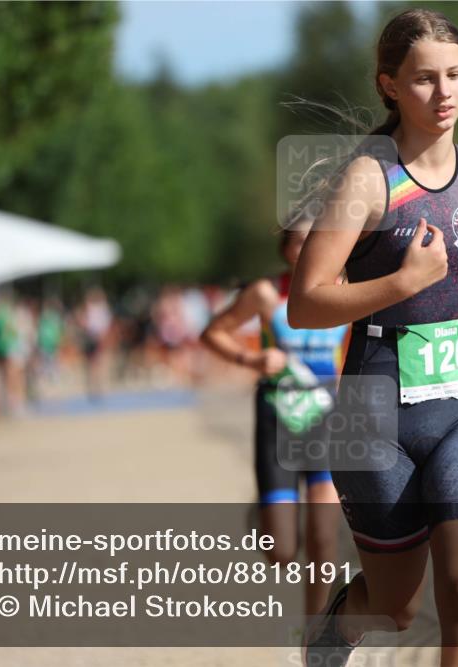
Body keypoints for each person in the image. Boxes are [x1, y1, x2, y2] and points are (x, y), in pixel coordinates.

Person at [287, 9, 458, 667]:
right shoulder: (368, 180)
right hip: (375, 412)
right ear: (389, 86)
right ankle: (336, 629)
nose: (445, 94)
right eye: (425, 80)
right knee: (396, 606)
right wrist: (402, 282)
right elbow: (306, 301)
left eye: (456, 75)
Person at [200, 220, 349, 617]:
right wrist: (252, 359)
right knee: (282, 551)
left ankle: (316, 629)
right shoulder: (265, 294)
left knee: (324, 534)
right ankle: (265, 517)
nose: (307, 249)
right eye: (299, 242)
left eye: (316, 240)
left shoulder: (344, 288)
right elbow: (213, 332)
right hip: (277, 415)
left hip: (325, 416)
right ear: (285, 248)